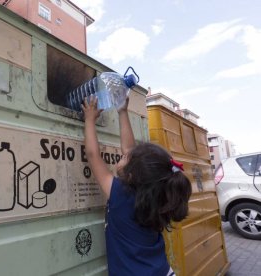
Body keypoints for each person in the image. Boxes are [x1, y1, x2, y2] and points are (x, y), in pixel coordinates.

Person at [81, 95, 192, 276]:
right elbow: (131, 151)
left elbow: (93, 155)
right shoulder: (157, 197)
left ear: (132, 175)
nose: (122, 155)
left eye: (124, 158)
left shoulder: (121, 196)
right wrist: (122, 111)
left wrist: (89, 119)